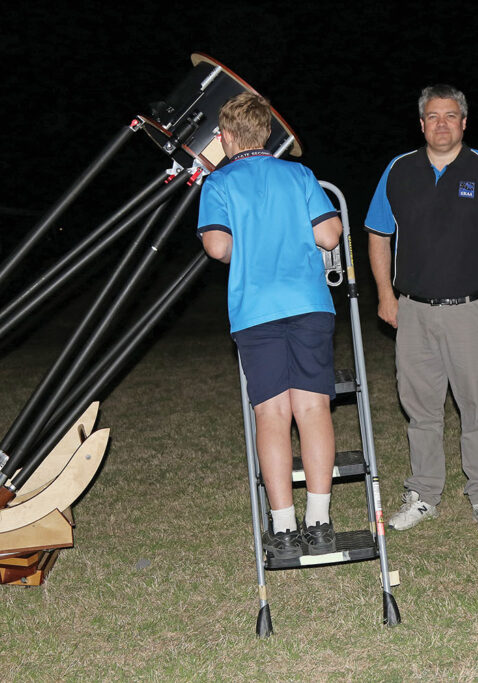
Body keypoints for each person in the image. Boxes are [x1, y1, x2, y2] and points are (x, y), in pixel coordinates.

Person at [365, 84, 478, 536]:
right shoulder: (398, 169)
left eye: (449, 116)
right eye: (432, 116)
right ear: (421, 123)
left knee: (477, 407)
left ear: (464, 122)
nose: (440, 124)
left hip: (470, 309)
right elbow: (378, 234)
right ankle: (424, 494)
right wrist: (385, 294)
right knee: (420, 408)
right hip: (413, 311)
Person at [198, 92, 343, 559]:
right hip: (308, 304)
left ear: (226, 138)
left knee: (272, 415)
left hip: (256, 309)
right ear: (266, 134)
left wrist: (254, 246)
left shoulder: (218, 184)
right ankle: (319, 522)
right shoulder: (298, 174)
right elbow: (329, 234)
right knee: (314, 410)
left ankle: (282, 528)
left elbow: (218, 248)